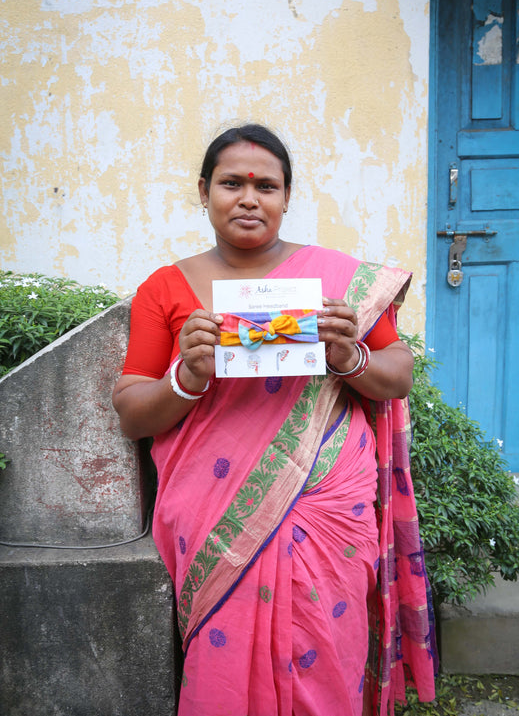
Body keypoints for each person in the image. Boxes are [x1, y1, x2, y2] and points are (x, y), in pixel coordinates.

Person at [112, 124, 437, 716]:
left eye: (266, 185)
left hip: (327, 506)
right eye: (231, 183)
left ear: (287, 196)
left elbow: (398, 373)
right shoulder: (164, 288)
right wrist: (188, 375)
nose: (249, 197)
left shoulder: (339, 282)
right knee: (224, 666)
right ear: (204, 190)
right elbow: (133, 411)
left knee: (325, 653)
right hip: (216, 514)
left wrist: (350, 356)